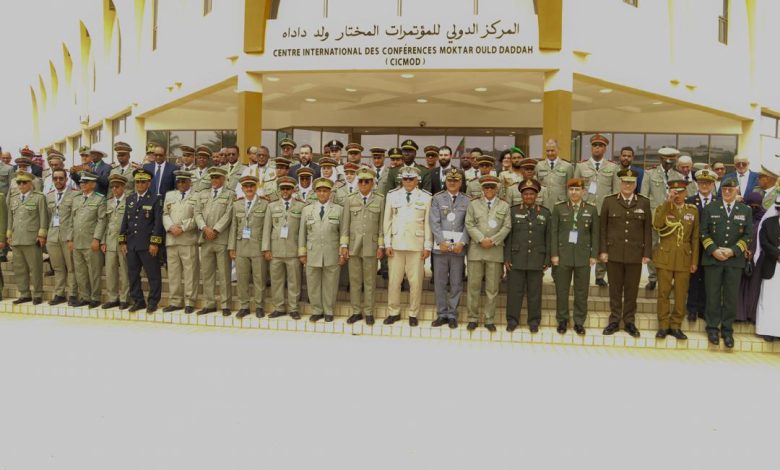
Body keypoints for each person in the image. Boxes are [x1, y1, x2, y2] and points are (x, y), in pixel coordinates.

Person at [600, 169, 652, 338]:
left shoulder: (643, 202)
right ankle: (614, 320)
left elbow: (647, 230)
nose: (628, 185)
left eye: (631, 183)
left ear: (635, 184)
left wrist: (647, 252)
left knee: (631, 290)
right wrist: (603, 250)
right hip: (613, 252)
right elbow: (603, 228)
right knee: (615, 289)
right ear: (620, 183)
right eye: (625, 182)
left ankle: (629, 321)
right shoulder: (609, 201)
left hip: (635, 253)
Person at [700, 178, 752, 348]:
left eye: (731, 189)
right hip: (713, 259)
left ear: (737, 190)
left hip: (734, 261)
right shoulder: (710, 208)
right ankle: (712, 328)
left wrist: (733, 251)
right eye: (724, 189)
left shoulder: (745, 210)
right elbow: (703, 232)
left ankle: (727, 330)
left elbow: (748, 235)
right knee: (713, 295)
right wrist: (714, 250)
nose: (727, 192)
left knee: (730, 297)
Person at [383, 166, 432, 326]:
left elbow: (428, 224)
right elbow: (387, 221)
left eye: (411, 179)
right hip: (396, 244)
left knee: (415, 282)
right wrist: (387, 243)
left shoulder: (426, 197)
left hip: (416, 245)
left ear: (417, 180)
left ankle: (413, 313)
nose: (408, 181)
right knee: (394, 281)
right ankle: (393, 312)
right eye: (405, 179)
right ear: (401, 180)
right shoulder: (392, 195)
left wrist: (427, 246)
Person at [652, 178, 700, 340]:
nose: (677, 196)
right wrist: (668, 203)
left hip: (684, 258)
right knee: (663, 293)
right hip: (665, 255)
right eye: (674, 192)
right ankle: (663, 325)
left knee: (681, 294)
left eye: (680, 192)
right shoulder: (664, 207)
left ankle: (676, 325)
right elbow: (657, 224)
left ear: (686, 193)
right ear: (669, 193)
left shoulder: (692, 211)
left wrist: (694, 261)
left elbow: (695, 238)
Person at [550, 178, 599, 335]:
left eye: (577, 189)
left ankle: (579, 321)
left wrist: (594, 255)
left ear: (583, 191)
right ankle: (562, 320)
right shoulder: (559, 208)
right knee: (562, 290)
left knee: (581, 291)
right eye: (571, 189)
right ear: (568, 191)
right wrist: (554, 254)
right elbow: (553, 233)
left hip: (583, 256)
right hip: (563, 255)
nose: (574, 192)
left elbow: (595, 234)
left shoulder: (591, 209)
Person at [465, 175, 511, 332]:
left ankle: (489, 319)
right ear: (482, 189)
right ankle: (472, 318)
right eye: (486, 187)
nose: (489, 189)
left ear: (497, 189)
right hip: (476, 250)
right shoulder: (473, 204)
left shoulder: (504, 206)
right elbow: (469, 224)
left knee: (492, 288)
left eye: (492, 187)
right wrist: (481, 239)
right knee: (473, 286)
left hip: (495, 250)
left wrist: (493, 241)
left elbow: (507, 226)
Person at [504, 179, 551, 333]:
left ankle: (534, 321)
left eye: (532, 194)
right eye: (526, 194)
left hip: (537, 259)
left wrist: (547, 259)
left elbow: (548, 237)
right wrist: (507, 258)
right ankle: (512, 320)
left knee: (535, 293)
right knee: (514, 292)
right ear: (522, 195)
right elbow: (508, 237)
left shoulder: (545, 213)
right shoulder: (513, 211)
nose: (529, 196)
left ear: (536, 195)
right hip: (516, 258)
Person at [341, 167, 385, 325]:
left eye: (367, 181)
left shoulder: (380, 199)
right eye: (361, 181)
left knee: (370, 281)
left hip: (371, 246)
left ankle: (369, 312)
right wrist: (344, 245)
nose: (364, 184)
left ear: (372, 183)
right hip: (354, 245)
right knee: (355, 281)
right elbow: (345, 224)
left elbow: (381, 225)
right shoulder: (350, 199)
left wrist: (381, 246)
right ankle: (356, 311)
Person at [574, 133, 619, 287]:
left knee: (603, 242)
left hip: (604, 211)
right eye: (594, 145)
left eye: (600, 145)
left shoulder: (612, 167)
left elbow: (615, 191)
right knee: (583, 240)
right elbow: (576, 189)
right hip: (585, 210)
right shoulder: (581, 166)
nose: (597, 148)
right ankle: (581, 271)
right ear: (591, 147)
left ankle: (600, 274)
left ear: (605, 149)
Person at [298, 177, 345, 322]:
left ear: (330, 192)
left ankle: (329, 310)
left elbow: (343, 232)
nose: (322, 193)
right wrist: (302, 253)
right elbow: (302, 233)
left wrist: (342, 252)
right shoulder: (307, 210)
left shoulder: (339, 210)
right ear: (315, 193)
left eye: (325, 191)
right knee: (313, 283)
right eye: (319, 191)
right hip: (312, 252)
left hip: (332, 252)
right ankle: (317, 310)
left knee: (330, 284)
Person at [119, 168, 164, 313]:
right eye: (137, 182)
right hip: (132, 244)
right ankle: (138, 301)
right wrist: (122, 240)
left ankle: (153, 302)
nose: (139, 184)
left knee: (153, 275)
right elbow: (125, 221)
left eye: (143, 182)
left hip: (147, 244)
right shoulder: (130, 199)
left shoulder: (155, 199)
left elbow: (158, 223)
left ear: (149, 183)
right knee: (133, 274)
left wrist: (154, 243)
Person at [429, 168, 469, 329]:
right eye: (449, 180)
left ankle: (452, 315)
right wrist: (440, 241)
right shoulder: (437, 198)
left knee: (456, 283)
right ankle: (442, 314)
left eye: (455, 180)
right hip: (441, 248)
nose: (452, 183)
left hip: (458, 249)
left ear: (460, 182)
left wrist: (463, 242)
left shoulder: (467, 200)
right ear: (445, 182)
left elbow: (468, 224)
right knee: (440, 282)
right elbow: (434, 221)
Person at [262, 176, 305, 320]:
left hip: (293, 250)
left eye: (288, 188)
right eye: (283, 188)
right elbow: (267, 229)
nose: (285, 191)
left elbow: (302, 231)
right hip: (276, 250)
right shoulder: (271, 206)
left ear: (293, 190)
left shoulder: (301, 206)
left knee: (294, 282)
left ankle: (293, 308)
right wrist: (266, 249)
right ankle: (279, 308)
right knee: (276, 281)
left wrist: (302, 251)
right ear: (279, 190)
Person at [641, 146, 683, 291]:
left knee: (671, 247)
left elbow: (681, 199)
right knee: (653, 246)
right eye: (666, 161)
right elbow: (644, 196)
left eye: (672, 161)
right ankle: (653, 278)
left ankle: (669, 277)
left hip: (672, 219)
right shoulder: (650, 173)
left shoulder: (678, 176)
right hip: (654, 216)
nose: (669, 164)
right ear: (660, 159)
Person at [195, 167, 235, 316]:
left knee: (224, 274)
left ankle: (226, 305)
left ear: (223, 179)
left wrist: (216, 229)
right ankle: (210, 303)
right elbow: (197, 212)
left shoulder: (230, 194)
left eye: (217, 178)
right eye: (212, 178)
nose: (214, 180)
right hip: (205, 238)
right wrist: (204, 228)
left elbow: (228, 214)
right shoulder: (202, 194)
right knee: (207, 273)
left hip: (221, 239)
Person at [229, 175, 270, 319]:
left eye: (252, 186)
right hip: (241, 246)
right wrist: (231, 247)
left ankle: (259, 306)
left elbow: (267, 228)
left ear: (256, 187)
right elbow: (233, 227)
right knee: (242, 278)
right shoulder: (237, 204)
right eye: (246, 186)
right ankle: (244, 306)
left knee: (259, 278)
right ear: (242, 189)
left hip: (258, 246)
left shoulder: (264, 204)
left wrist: (266, 248)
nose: (249, 189)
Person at [7, 171, 48, 304]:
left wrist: (42, 235)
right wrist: (9, 234)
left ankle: (38, 294)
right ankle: (24, 293)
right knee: (19, 269)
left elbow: (43, 216)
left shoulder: (39, 197)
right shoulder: (14, 198)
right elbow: (10, 217)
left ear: (30, 183)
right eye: (19, 182)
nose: (21, 185)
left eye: (24, 182)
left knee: (35, 268)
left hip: (32, 239)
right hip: (17, 238)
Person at [162, 170, 200, 314]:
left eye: (184, 181)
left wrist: (183, 227)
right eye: (178, 181)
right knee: (173, 273)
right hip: (172, 239)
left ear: (190, 182)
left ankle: (190, 301)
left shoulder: (196, 196)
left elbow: (197, 217)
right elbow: (165, 214)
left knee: (190, 272)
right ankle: (175, 301)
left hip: (188, 238)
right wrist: (171, 227)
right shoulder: (170, 195)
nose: (181, 184)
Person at [685, 168, 719, 321]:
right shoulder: (690, 201)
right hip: (694, 246)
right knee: (694, 277)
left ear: (713, 185)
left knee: (708, 279)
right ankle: (692, 309)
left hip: (712, 247)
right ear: (697, 184)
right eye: (701, 183)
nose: (704, 186)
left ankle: (704, 309)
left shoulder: (719, 202)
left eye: (708, 183)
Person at [70, 171, 107, 308]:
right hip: (77, 240)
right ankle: (85, 296)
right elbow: (72, 220)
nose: (82, 184)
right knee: (80, 271)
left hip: (91, 240)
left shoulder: (100, 199)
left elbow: (102, 220)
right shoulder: (77, 199)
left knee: (94, 271)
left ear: (93, 184)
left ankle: (95, 297)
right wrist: (70, 238)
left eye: (85, 182)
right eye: (81, 182)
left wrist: (97, 238)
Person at [44, 168, 77, 306]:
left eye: (61, 178)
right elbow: (47, 217)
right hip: (53, 236)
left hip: (67, 236)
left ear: (66, 179)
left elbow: (75, 218)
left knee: (71, 267)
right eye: (55, 178)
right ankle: (59, 294)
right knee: (57, 267)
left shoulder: (74, 195)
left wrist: (72, 237)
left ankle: (73, 294)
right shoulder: (49, 196)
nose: (58, 181)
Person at [101, 174, 130, 310]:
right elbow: (104, 223)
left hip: (124, 241)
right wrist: (103, 241)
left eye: (117, 187)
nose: (114, 189)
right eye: (112, 187)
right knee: (110, 271)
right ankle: (112, 298)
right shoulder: (108, 202)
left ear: (123, 187)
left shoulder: (129, 202)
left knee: (124, 270)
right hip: (110, 241)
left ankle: (125, 298)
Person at [736, 191, 765, 323]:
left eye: (756, 206)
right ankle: (738, 314)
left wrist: (753, 251)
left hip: (757, 256)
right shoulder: (740, 214)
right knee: (738, 285)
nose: (753, 209)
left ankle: (750, 314)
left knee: (753, 285)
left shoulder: (764, 217)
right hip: (739, 253)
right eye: (751, 206)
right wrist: (743, 249)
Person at [755, 196, 780, 341]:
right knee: (768, 298)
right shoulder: (768, 223)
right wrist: (777, 254)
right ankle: (767, 330)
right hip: (772, 264)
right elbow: (764, 242)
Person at [534, 140, 574, 209]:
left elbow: (570, 187)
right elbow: (536, 185)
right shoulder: (539, 165)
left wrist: (570, 204)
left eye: (552, 150)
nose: (550, 153)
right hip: (543, 203)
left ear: (558, 150)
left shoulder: (567, 166)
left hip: (561, 203)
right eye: (548, 151)